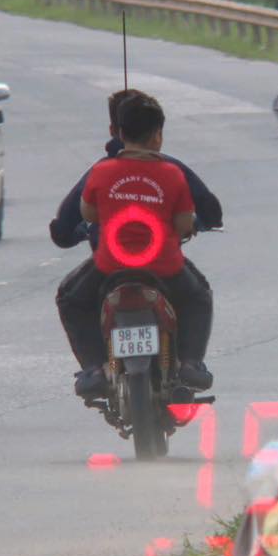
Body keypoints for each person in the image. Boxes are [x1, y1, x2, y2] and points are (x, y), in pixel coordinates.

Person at [52, 91, 219, 397]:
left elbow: (87, 213)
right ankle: (191, 364)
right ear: (158, 136)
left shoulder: (101, 172)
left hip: (109, 267)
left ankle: (92, 369)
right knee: (199, 296)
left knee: (69, 297)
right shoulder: (172, 174)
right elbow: (185, 222)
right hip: (165, 268)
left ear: (117, 132)